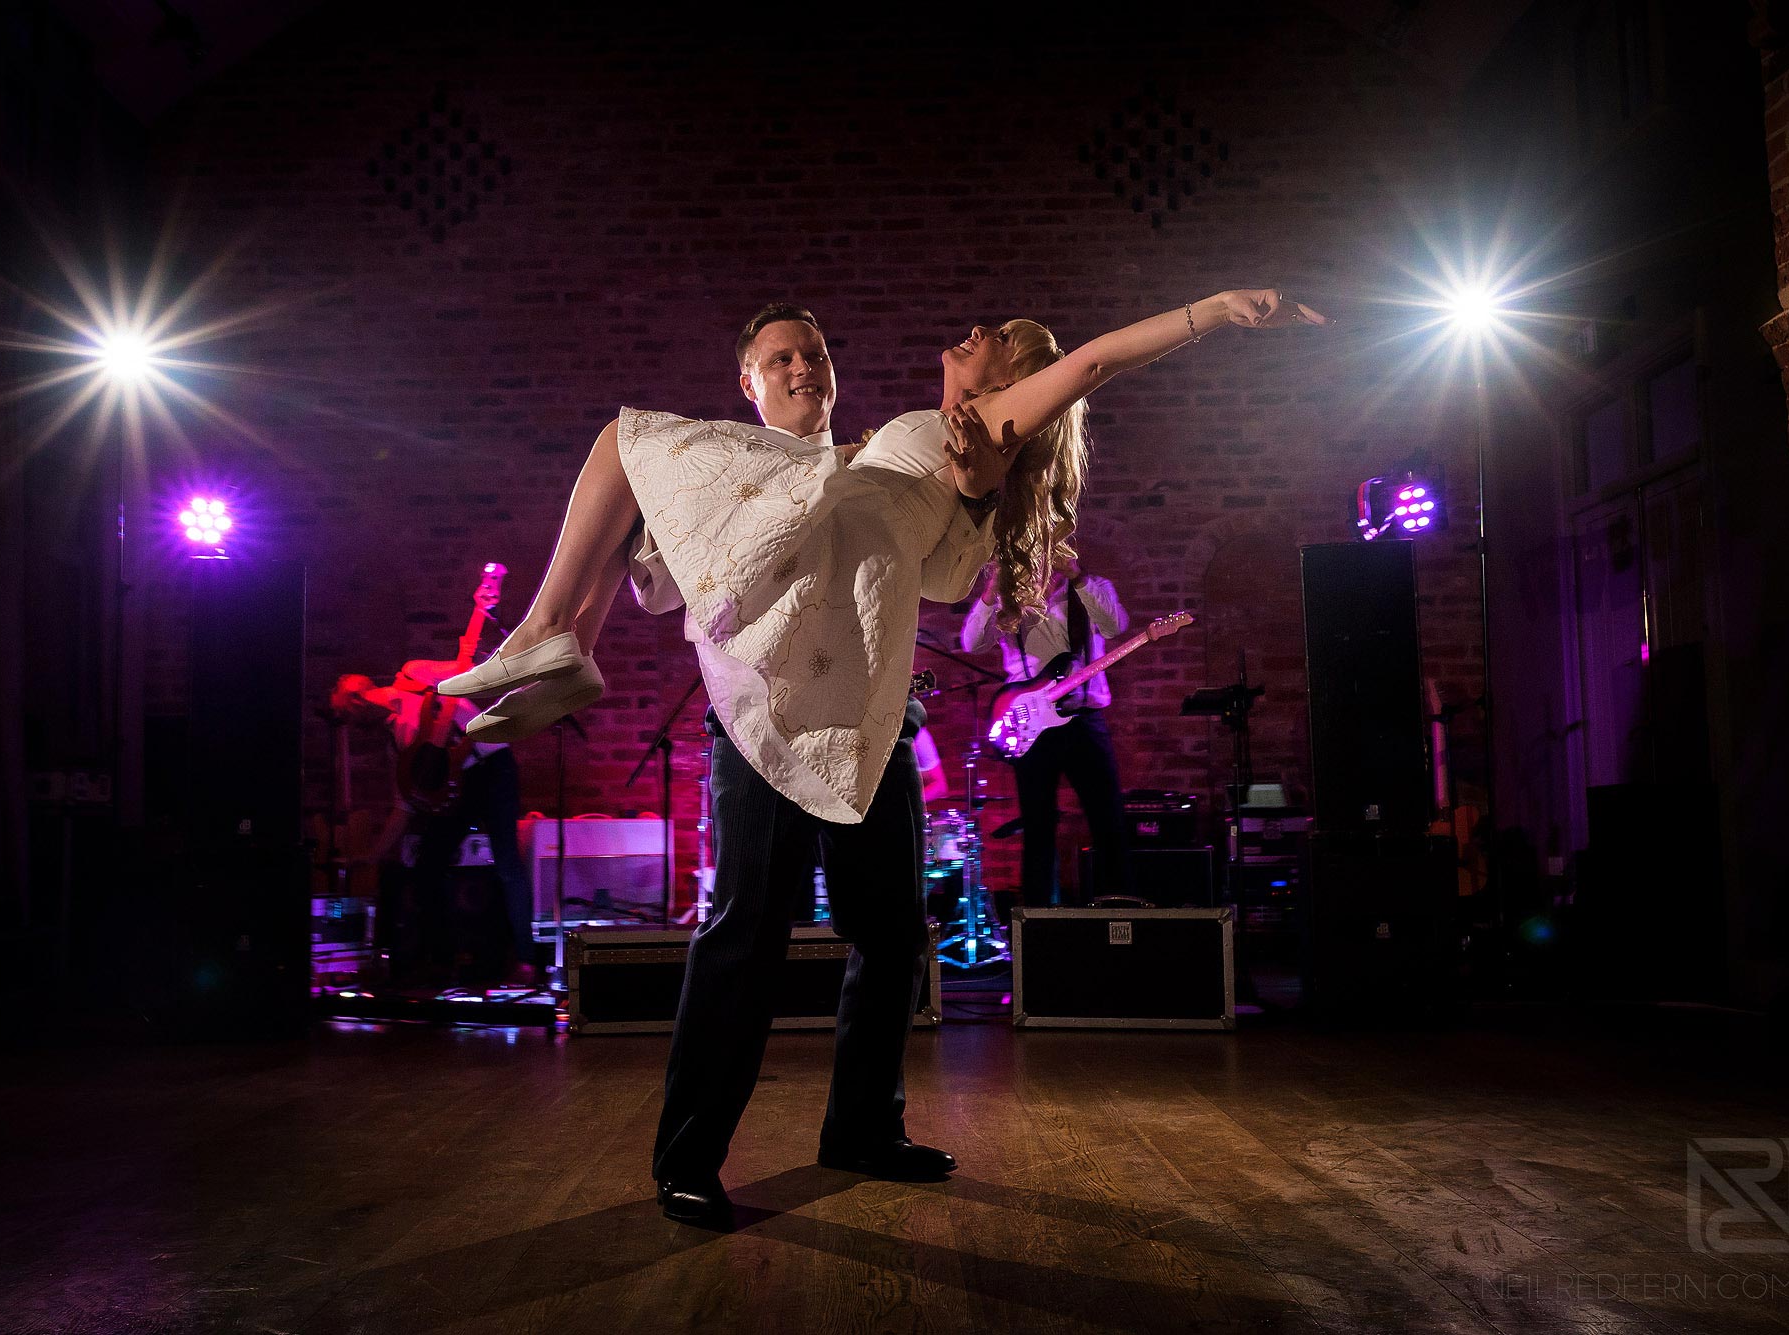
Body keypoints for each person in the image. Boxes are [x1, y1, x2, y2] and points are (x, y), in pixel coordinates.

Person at [443, 290, 1326, 1227]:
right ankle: (689, 1156)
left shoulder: (961, 430)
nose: (803, 367)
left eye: (815, 354)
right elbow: (672, 581)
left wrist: (1216, 310)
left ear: (1010, 381)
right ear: (748, 383)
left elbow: (1087, 371)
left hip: (870, 723)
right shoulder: (823, 462)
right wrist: (960, 494)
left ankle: (863, 1127)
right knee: (745, 934)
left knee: (894, 933)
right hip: (765, 716)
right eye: (782, 357)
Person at [329, 666, 544, 990]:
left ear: (357, 700)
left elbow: (464, 670)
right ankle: (444, 963)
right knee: (428, 866)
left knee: (507, 864)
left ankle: (526, 961)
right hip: (459, 784)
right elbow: (404, 806)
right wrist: (372, 855)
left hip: (492, 768)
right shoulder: (396, 742)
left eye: (348, 714)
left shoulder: (414, 676)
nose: (354, 725)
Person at [961, 554, 1131, 904]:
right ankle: (1038, 916)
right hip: (1032, 722)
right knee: (1037, 824)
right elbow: (972, 643)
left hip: (1084, 717)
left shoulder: (1092, 587)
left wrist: (1077, 577)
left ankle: (1117, 908)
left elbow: (1115, 626)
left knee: (1107, 816)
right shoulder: (1012, 599)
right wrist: (993, 588)